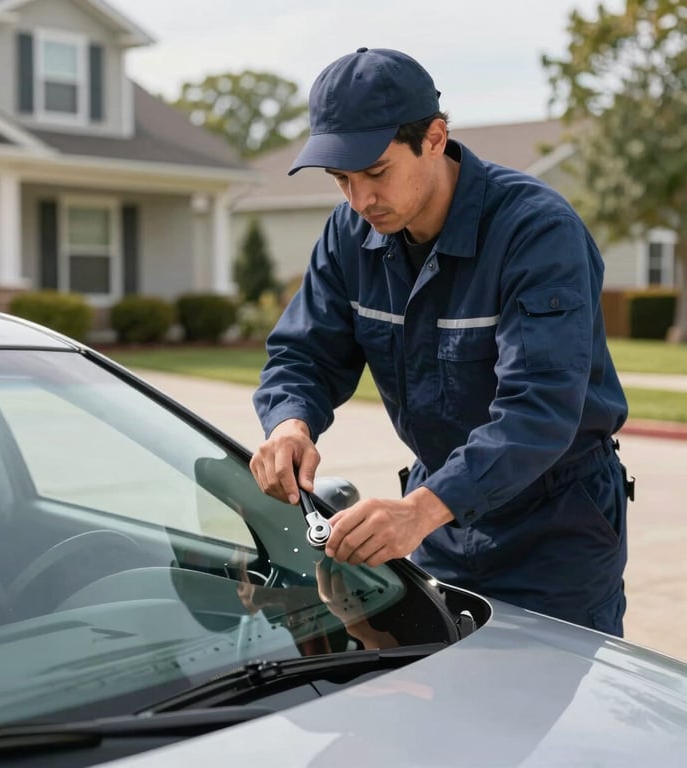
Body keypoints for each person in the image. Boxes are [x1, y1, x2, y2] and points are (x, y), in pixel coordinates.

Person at [249, 47, 633, 636]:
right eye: (341, 180)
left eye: (375, 173)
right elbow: (304, 353)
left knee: (546, 719)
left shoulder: (536, 231)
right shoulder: (350, 234)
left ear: (434, 137)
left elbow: (542, 407)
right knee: (437, 708)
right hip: (438, 523)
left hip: (557, 530)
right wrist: (289, 425)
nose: (359, 200)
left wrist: (419, 510)